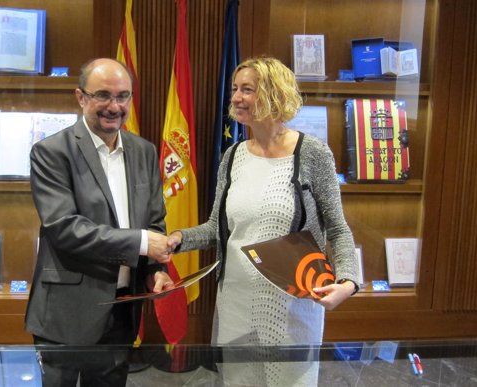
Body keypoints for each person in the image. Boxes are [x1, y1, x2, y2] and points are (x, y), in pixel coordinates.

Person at [167, 56, 360, 386]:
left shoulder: (313, 153)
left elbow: (338, 228)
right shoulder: (233, 156)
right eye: (234, 89)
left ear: (274, 93)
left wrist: (349, 282)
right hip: (236, 306)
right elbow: (217, 227)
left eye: (247, 90)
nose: (236, 97)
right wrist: (177, 240)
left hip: (292, 308)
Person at [25, 58, 175, 387]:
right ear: (81, 97)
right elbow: (64, 228)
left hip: (122, 309)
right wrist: (141, 243)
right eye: (102, 95)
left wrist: (154, 270)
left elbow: (154, 222)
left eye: (123, 96)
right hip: (67, 313)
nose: (114, 106)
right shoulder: (51, 152)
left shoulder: (144, 152)